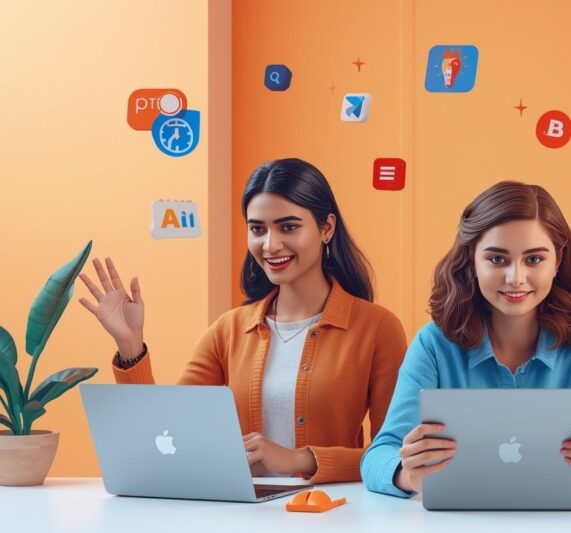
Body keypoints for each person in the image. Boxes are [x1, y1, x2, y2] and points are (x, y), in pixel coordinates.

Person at [78, 158, 407, 483]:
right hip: (241, 514)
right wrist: (130, 344)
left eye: (288, 227)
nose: (270, 245)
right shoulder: (229, 330)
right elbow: (164, 433)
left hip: (334, 513)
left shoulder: (377, 329)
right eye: (257, 229)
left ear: (326, 228)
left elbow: (392, 456)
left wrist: (299, 458)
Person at [361, 181, 571, 498]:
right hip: (457, 531)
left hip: (565, 532)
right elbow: (379, 454)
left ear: (557, 260)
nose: (515, 278)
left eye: (534, 259)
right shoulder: (433, 344)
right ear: (471, 260)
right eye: (497, 259)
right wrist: (406, 475)